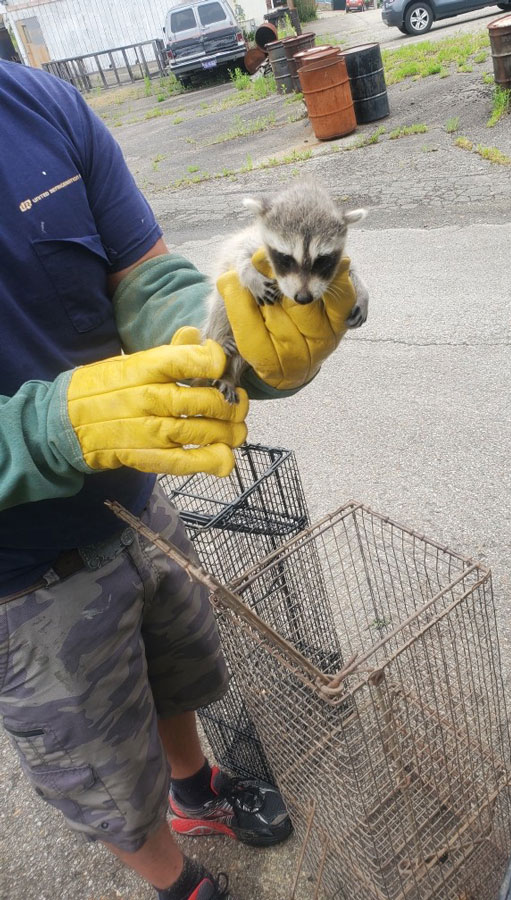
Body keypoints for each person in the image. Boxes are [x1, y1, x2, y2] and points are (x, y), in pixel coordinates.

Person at [0, 58, 357, 900]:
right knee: (102, 769)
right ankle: (174, 879)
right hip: (20, 581)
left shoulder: (39, 102)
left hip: (137, 495)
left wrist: (227, 344)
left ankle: (195, 789)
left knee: (178, 665)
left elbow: (144, 276)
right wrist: (43, 429)